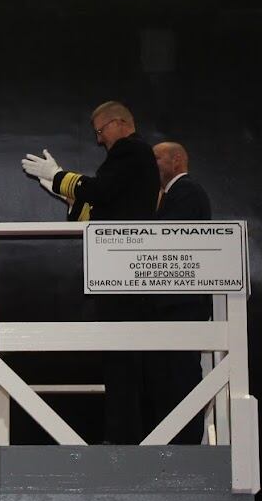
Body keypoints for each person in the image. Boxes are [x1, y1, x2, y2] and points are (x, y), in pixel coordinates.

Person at [21, 101, 160, 444]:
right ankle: (122, 435)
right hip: (119, 266)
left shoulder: (130, 150)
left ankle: (123, 437)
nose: (98, 140)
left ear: (119, 123)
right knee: (117, 357)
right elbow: (101, 206)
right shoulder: (132, 157)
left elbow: (100, 192)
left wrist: (59, 177)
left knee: (121, 357)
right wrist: (62, 186)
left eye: (100, 131)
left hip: (122, 267)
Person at [151, 141, 213, 444]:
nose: (153, 164)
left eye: (157, 158)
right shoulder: (172, 195)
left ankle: (187, 441)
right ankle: (176, 439)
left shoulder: (186, 192)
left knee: (182, 374)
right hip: (175, 304)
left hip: (183, 303)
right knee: (172, 376)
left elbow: (165, 234)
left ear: (177, 160)